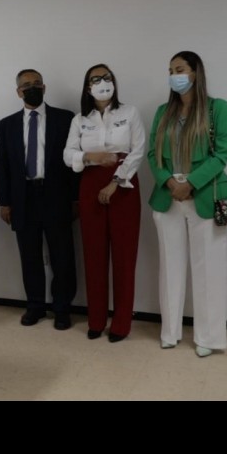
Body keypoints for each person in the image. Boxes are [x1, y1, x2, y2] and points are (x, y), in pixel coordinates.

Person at [148, 51, 227, 358]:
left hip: (205, 196)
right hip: (168, 197)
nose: (174, 75)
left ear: (195, 73)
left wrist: (191, 183)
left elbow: (221, 154)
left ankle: (208, 338)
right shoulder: (163, 112)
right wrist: (169, 182)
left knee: (209, 268)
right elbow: (152, 154)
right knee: (169, 267)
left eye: (180, 69)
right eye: (171, 70)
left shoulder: (217, 108)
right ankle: (170, 332)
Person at [63, 64, 145, 342]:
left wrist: (115, 182)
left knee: (124, 256)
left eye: (106, 77)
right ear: (88, 88)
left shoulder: (129, 113)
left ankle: (121, 323)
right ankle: (96, 320)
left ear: (114, 82)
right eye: (95, 79)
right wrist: (91, 157)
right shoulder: (80, 120)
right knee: (94, 254)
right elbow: (68, 154)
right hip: (90, 183)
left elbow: (137, 151)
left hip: (124, 184)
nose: (102, 82)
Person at [0, 69, 79, 330]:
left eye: (37, 83)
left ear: (44, 87)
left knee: (62, 256)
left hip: (56, 195)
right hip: (23, 198)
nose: (32, 88)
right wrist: (5, 202)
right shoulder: (7, 124)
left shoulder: (65, 118)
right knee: (29, 256)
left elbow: (74, 162)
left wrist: (75, 198)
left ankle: (62, 308)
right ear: (18, 92)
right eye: (26, 85)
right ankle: (35, 306)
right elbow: (3, 165)